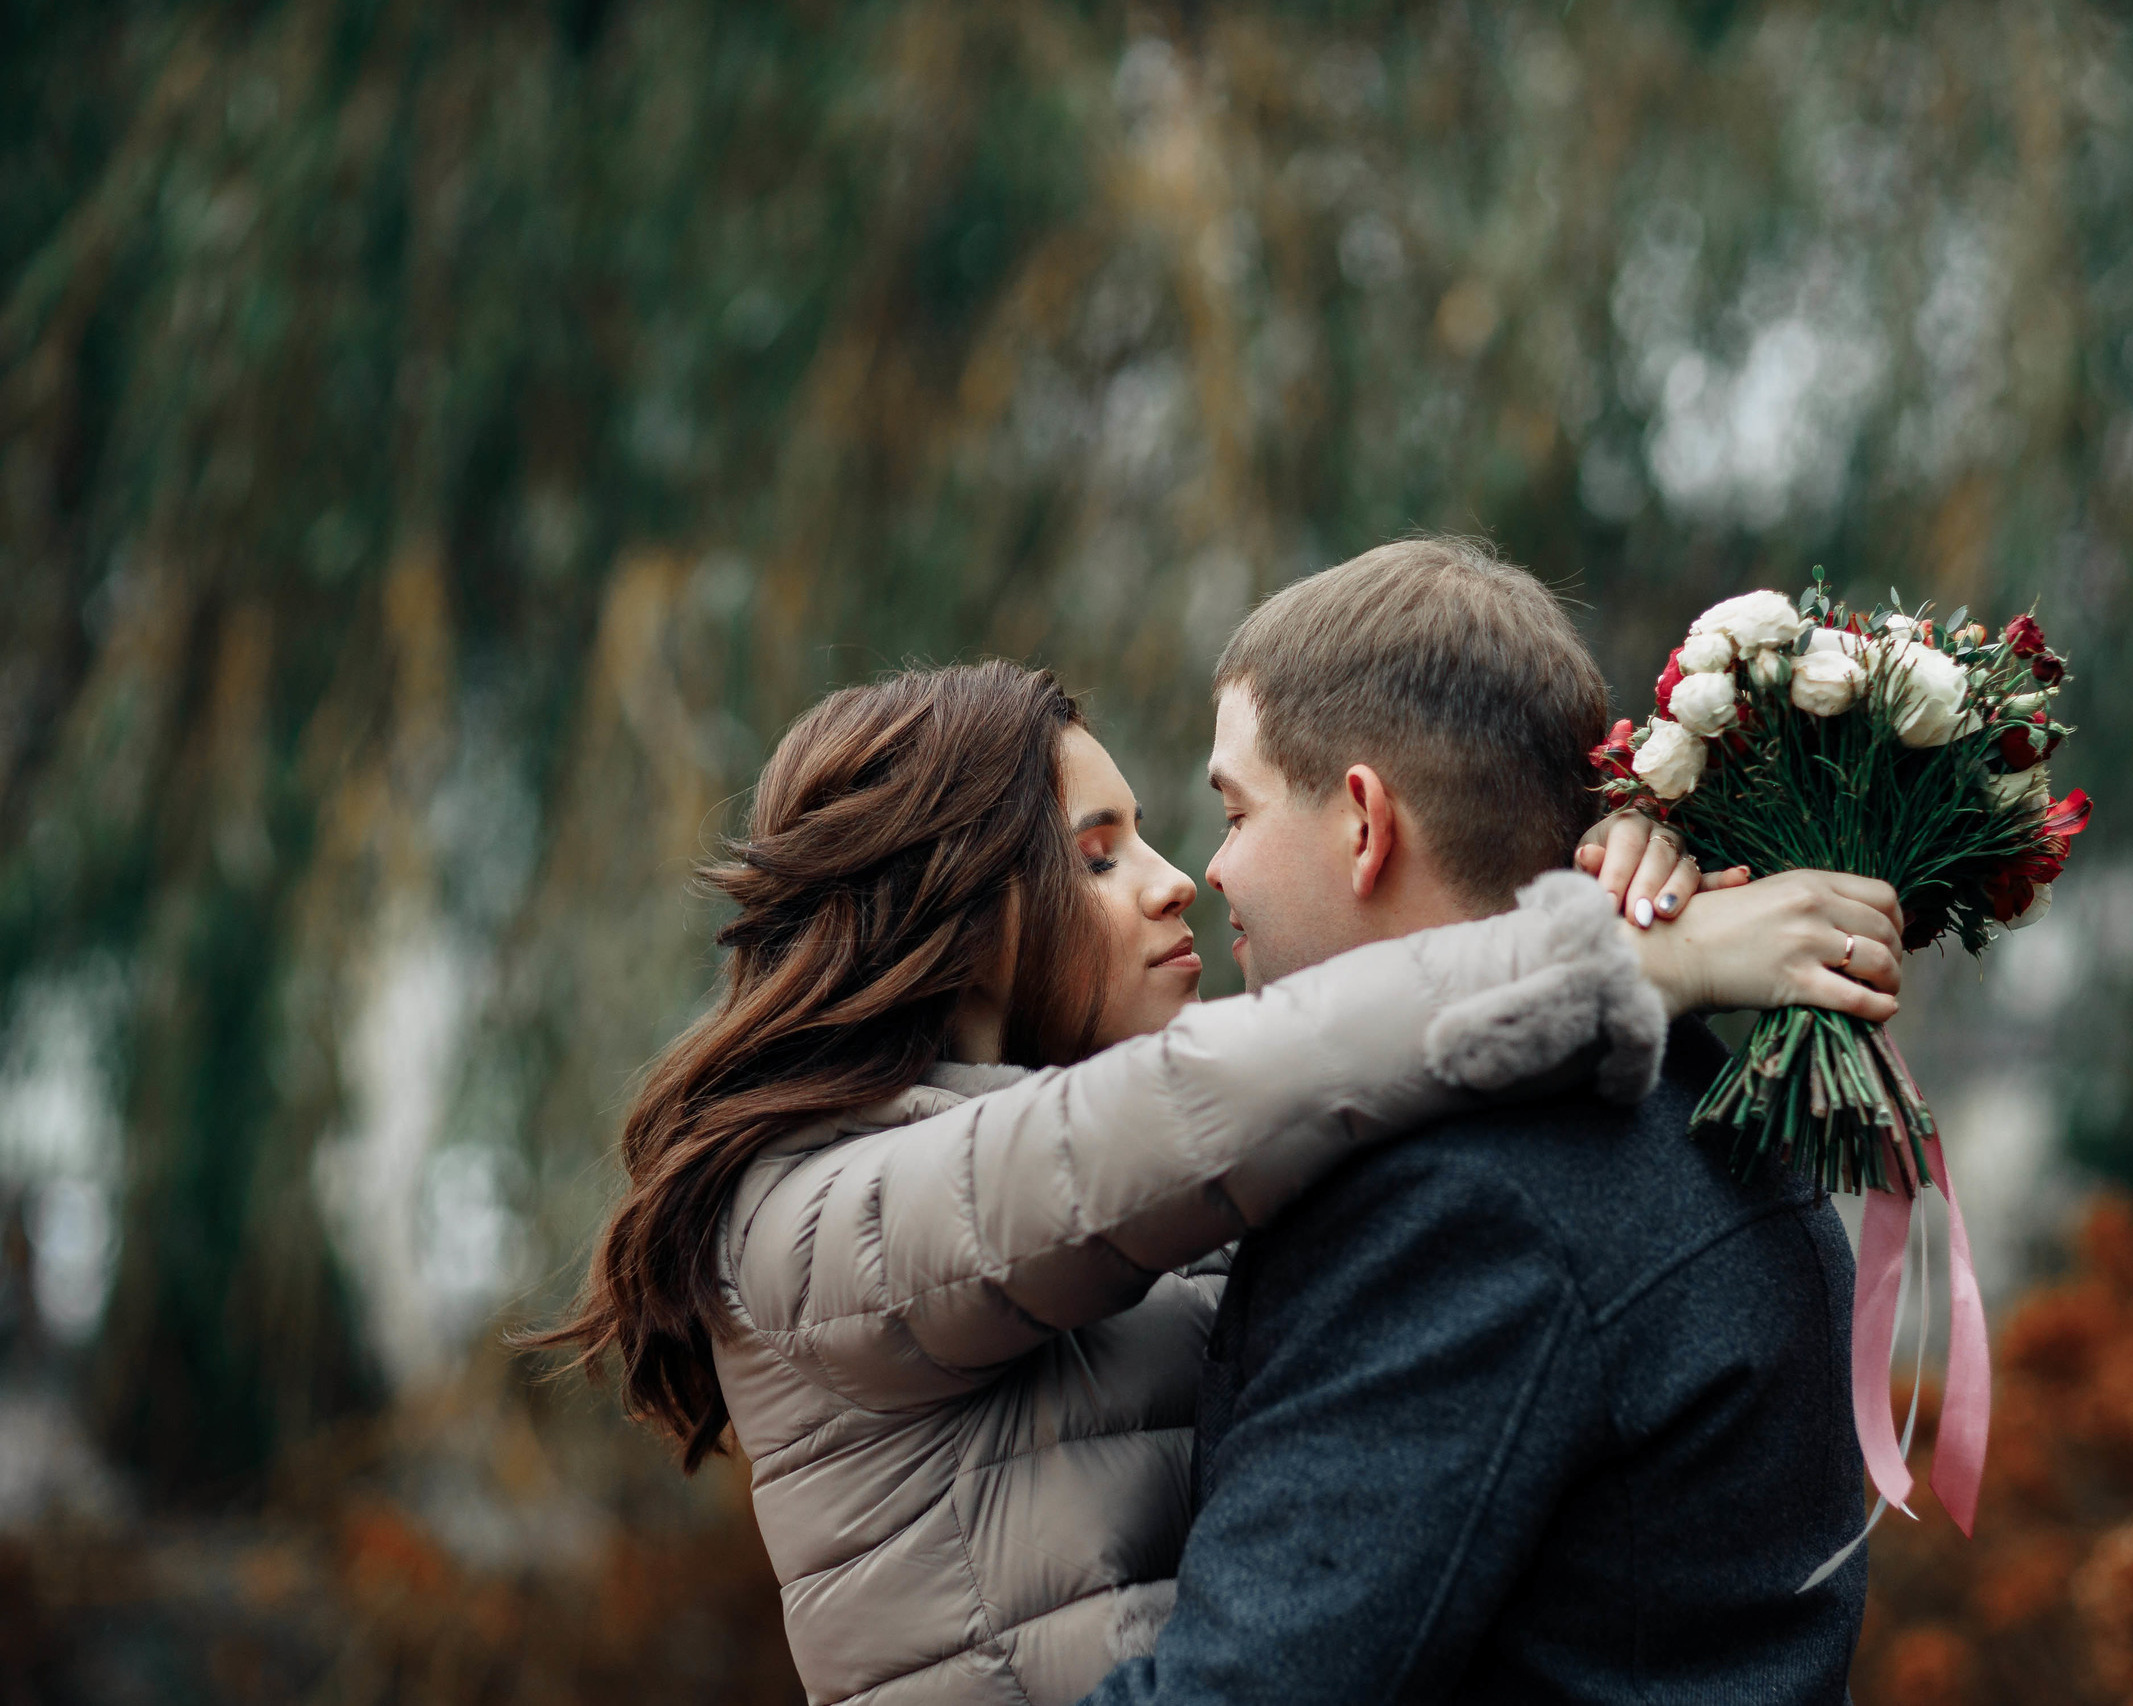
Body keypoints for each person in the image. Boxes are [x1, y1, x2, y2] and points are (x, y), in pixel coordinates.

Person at [541, 624, 1899, 1706]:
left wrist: (1599, 871)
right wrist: (1620, 957)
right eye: (1098, 852)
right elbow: (1219, 1094)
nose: (1177, 877)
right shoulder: (811, 1215)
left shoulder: (1146, 1189)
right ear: (958, 898)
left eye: (1170, 827)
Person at [1079, 537, 1897, 1706]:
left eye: (1235, 808)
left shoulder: (1468, 1201)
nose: (1212, 872)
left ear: (1363, 820)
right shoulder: (1692, 1103)